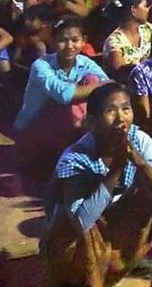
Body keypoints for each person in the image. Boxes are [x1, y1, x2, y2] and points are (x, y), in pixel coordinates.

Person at [40, 83, 152, 287]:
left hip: (114, 221)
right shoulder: (75, 159)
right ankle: (74, 286)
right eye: (111, 111)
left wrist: (139, 163)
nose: (121, 118)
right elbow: (81, 221)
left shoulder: (139, 140)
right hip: (78, 229)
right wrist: (116, 170)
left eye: (126, 108)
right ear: (91, 122)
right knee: (79, 230)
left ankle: (124, 263)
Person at [14, 16, 109, 174]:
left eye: (75, 40)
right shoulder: (41, 66)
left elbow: (109, 87)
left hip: (68, 128)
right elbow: (64, 95)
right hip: (35, 128)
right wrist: (100, 86)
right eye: (63, 40)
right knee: (77, 97)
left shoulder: (85, 63)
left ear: (83, 41)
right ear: (52, 41)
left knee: (93, 82)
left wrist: (100, 85)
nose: (70, 46)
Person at [102, 0, 152, 78]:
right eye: (146, 6)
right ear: (134, 10)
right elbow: (121, 76)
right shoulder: (115, 43)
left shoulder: (147, 29)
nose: (148, 9)